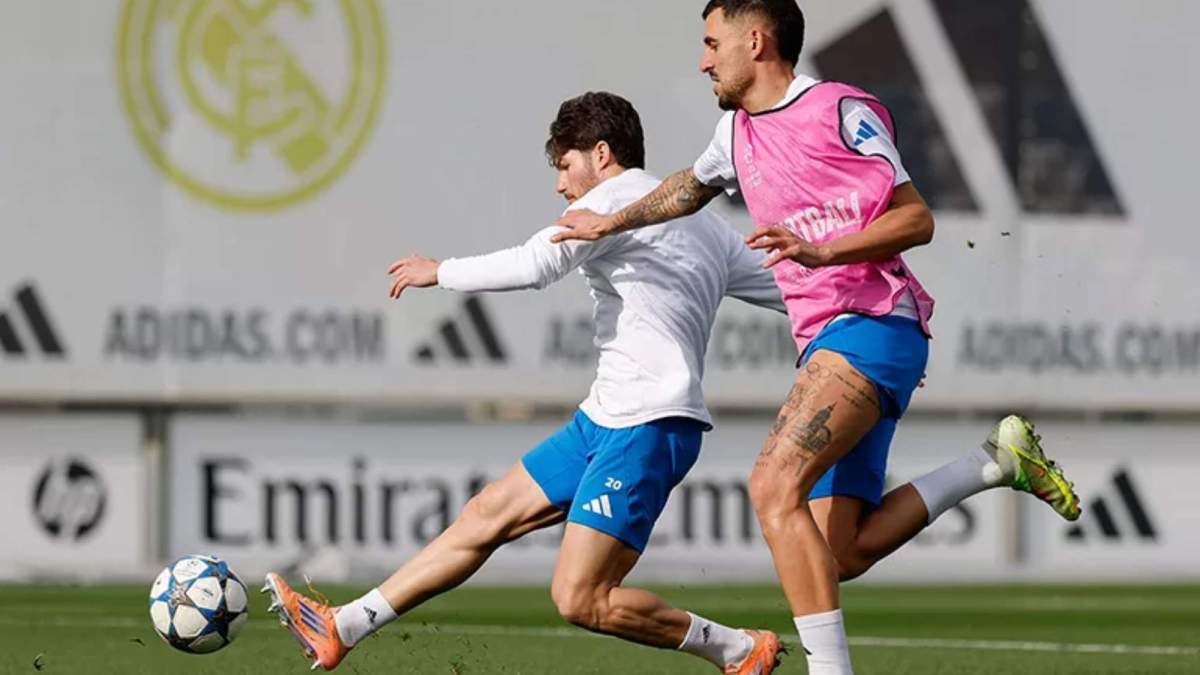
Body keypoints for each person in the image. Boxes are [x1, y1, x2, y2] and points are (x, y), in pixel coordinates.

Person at [552, 3, 1081, 674]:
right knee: (838, 553)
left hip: (872, 325)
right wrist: (614, 221)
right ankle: (995, 462)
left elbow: (915, 219)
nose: (703, 60)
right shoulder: (736, 132)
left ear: (756, 39)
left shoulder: (841, 109)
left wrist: (823, 251)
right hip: (833, 343)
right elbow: (688, 187)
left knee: (774, 485)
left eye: (712, 43)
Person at [264, 91, 790, 673]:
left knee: (580, 598)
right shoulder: (705, 224)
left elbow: (535, 263)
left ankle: (740, 649)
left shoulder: (611, 205)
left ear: (602, 152)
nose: (561, 186)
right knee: (485, 514)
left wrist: (440, 272)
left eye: (565, 166)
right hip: (607, 417)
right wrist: (871, 315)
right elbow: (788, 288)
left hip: (649, 423)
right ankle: (343, 625)